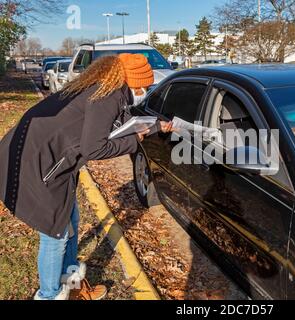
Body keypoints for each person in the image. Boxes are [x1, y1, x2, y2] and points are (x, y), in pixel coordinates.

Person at [0, 53, 172, 300]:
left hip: (48, 158)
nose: (144, 90)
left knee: (71, 221)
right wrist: (134, 141)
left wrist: (155, 124)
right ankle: (49, 295)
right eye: (143, 86)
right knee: (55, 233)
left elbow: (118, 122)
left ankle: (71, 284)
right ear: (131, 81)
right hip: (37, 165)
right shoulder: (106, 96)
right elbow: (95, 148)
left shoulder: (102, 87)